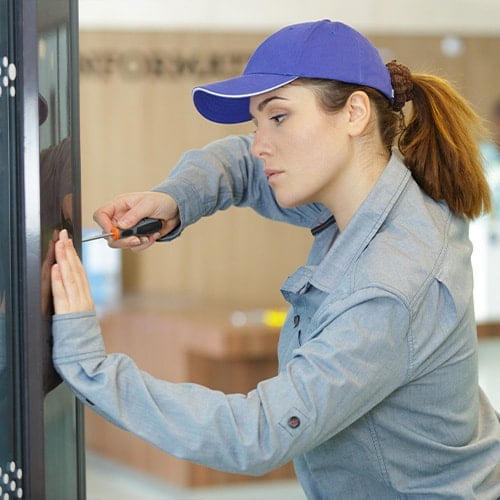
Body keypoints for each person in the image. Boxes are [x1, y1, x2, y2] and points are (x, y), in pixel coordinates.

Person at [51, 20, 500, 498]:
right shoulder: (375, 191)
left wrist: (89, 366)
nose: (261, 143)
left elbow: (256, 433)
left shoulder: (388, 285)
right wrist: (174, 199)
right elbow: (243, 164)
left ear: (354, 113)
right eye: (256, 122)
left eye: (279, 117)